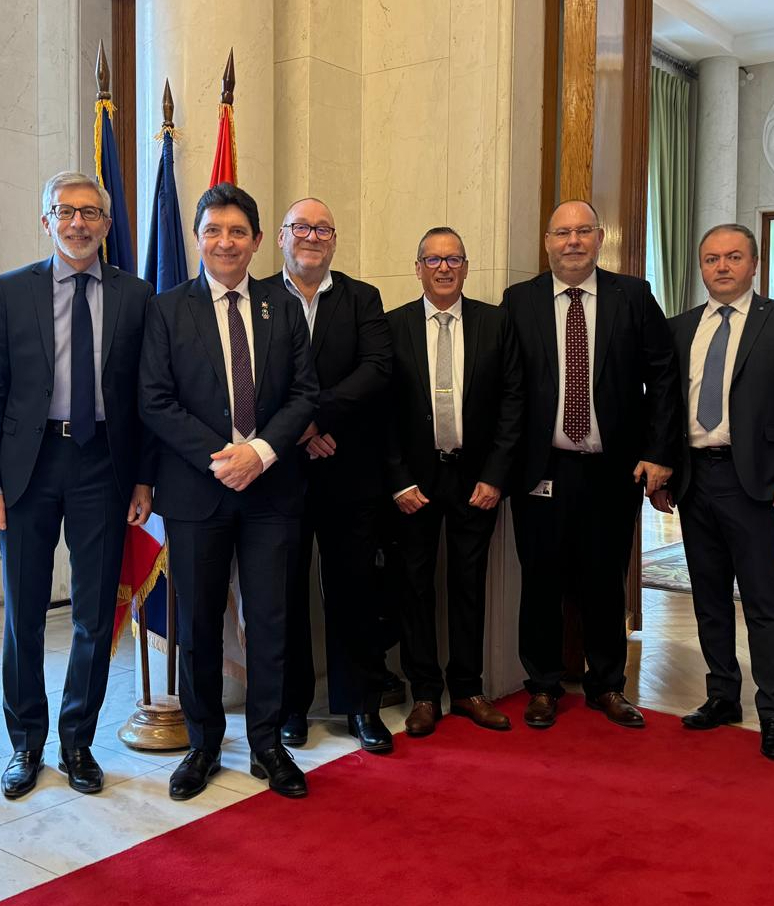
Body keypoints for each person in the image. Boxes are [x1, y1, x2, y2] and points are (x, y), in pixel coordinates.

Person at [0, 171, 156, 798]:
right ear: (46, 220)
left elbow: (145, 396)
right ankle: (26, 742)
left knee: (93, 613)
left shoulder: (137, 295)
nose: (77, 223)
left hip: (103, 463)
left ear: (106, 224)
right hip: (28, 464)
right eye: (65, 211)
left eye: (90, 212)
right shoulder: (9, 290)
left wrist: (143, 478)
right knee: (23, 612)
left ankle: (78, 740)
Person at [139, 183, 319, 799]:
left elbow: (305, 394)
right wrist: (223, 459)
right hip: (197, 491)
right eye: (213, 230)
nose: (225, 242)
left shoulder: (283, 306)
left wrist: (260, 453)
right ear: (197, 239)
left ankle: (268, 744)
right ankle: (204, 744)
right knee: (198, 624)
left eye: (237, 231)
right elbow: (154, 400)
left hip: (272, 491)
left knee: (270, 621)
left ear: (258, 240)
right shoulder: (166, 309)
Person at [650, 224, 774, 760]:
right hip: (694, 479)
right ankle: (722, 695)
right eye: (711, 259)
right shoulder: (680, 328)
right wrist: (664, 471)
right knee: (707, 598)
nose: (721, 267)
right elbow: (664, 406)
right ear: (701, 267)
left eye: (732, 257)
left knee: (763, 601)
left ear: (754, 264)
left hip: (754, 482)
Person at [502, 200, 681, 729]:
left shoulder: (633, 296)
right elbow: (507, 387)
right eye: (563, 233)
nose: (573, 241)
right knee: (540, 581)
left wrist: (658, 452)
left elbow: (663, 377)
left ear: (601, 238)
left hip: (612, 469)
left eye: (583, 231)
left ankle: (607, 685)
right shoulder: (520, 300)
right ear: (547, 242)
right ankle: (543, 685)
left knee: (605, 580)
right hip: (541, 469)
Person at [258, 198, 395, 754]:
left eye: (322, 229)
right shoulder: (260, 298)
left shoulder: (363, 298)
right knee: (284, 592)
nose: (311, 236)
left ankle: (360, 705)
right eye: (301, 227)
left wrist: (317, 419)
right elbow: (253, 381)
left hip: (349, 470)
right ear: (281, 236)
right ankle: (291, 706)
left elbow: (377, 370)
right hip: (281, 472)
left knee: (354, 590)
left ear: (334, 240)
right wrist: (299, 430)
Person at [386, 227, 523, 737]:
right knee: (413, 585)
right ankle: (424, 693)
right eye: (433, 259)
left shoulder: (496, 322)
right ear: (417, 268)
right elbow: (381, 412)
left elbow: (514, 402)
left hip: (475, 480)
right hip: (414, 484)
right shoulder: (392, 326)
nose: (443, 268)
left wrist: (495, 476)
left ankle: (467, 688)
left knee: (469, 584)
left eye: (453, 259)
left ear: (466, 268)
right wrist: (398, 480)